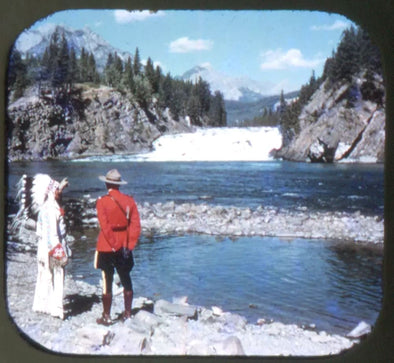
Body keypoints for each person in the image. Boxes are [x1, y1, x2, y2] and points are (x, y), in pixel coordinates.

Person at [94, 169, 141, 325]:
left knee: (107, 279)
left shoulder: (102, 201)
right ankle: (128, 314)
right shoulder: (129, 201)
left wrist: (114, 245)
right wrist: (129, 244)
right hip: (125, 244)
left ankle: (106, 316)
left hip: (107, 245)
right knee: (126, 278)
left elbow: (105, 226)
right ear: (119, 185)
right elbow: (136, 226)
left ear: (107, 183)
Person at [32, 174, 69, 319]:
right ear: (52, 193)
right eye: (57, 191)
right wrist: (59, 253)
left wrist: (61, 186)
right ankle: (56, 309)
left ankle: (42, 305)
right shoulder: (51, 209)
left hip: (43, 247)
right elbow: (53, 234)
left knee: (44, 275)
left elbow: (40, 231)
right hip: (52, 246)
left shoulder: (44, 208)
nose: (59, 193)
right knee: (57, 276)